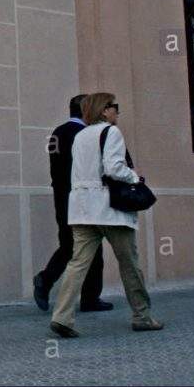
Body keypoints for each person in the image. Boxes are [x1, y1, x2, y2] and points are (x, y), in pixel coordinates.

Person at [49, 93, 164, 338]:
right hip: (109, 208)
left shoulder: (80, 136)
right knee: (129, 263)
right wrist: (135, 178)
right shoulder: (111, 132)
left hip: (82, 209)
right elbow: (113, 168)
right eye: (115, 107)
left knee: (77, 263)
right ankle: (142, 316)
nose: (117, 112)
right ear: (104, 110)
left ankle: (62, 317)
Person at [32, 95, 112, 313]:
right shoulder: (84, 135)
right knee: (92, 244)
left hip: (62, 197)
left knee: (69, 245)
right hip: (81, 198)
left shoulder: (58, 132)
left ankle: (48, 281)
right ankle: (87, 297)